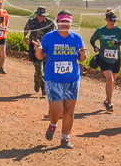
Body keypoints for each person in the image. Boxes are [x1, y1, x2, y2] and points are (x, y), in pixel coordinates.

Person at [34, 11, 86, 149]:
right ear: (57, 22)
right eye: (62, 22)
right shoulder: (49, 37)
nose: (64, 25)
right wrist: (38, 50)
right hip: (53, 79)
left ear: (71, 23)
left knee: (69, 109)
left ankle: (65, 139)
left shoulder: (77, 38)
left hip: (72, 79)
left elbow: (81, 59)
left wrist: (83, 54)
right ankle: (53, 124)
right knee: (57, 110)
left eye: (67, 22)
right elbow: (40, 56)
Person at [90, 9, 121, 112]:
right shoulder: (100, 31)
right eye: (111, 20)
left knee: (112, 82)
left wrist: (117, 42)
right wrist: (95, 47)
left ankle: (107, 100)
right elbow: (92, 40)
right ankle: (110, 103)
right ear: (106, 19)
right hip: (104, 58)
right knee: (110, 80)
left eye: (114, 21)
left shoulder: (119, 30)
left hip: (116, 59)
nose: (113, 22)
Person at [23, 6, 55, 95]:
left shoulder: (50, 23)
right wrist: (25, 38)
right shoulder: (31, 22)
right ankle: (44, 88)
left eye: (43, 16)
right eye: (40, 15)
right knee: (39, 69)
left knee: (45, 70)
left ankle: (37, 80)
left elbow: (56, 33)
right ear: (37, 15)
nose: (41, 17)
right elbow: (26, 29)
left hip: (46, 49)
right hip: (34, 48)